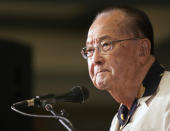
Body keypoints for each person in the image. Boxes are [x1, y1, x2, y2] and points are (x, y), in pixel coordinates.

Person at [81, 6, 170, 131]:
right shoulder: (118, 121)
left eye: (106, 44)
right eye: (90, 50)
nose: (95, 59)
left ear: (142, 50)